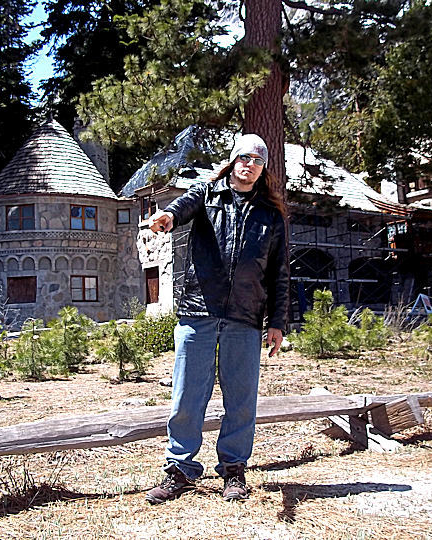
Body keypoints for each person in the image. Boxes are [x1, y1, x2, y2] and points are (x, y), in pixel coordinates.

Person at [144, 134, 290, 504]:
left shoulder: (271, 216)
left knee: (241, 399)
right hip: (199, 311)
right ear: (233, 161)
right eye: (244, 157)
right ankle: (179, 470)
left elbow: (279, 272)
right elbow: (181, 207)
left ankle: (234, 470)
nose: (249, 165)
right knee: (187, 395)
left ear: (263, 168)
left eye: (257, 160)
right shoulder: (208, 195)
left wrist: (277, 321)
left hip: (245, 316)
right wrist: (166, 217)